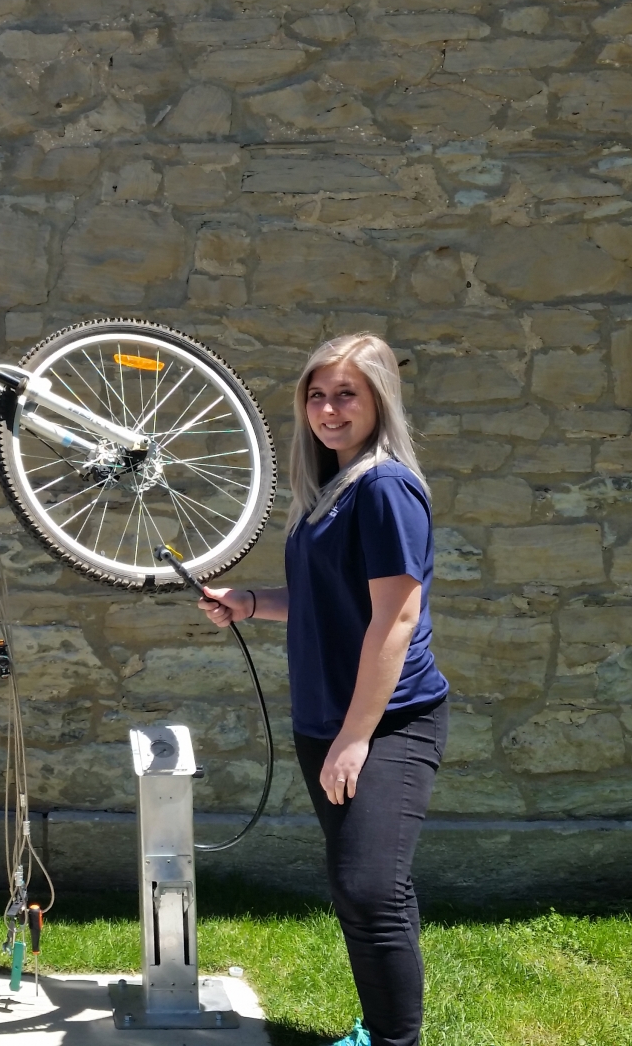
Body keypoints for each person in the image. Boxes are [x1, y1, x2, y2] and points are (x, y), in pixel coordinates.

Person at [199, 333, 449, 1046]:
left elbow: (396, 618)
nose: (329, 408)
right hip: (328, 719)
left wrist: (357, 736)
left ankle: (395, 1039)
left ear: (378, 401)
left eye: (347, 394)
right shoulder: (331, 489)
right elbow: (326, 598)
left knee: (375, 886)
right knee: (354, 886)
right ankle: (376, 1029)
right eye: (317, 394)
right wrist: (251, 601)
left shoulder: (385, 487)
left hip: (391, 720)